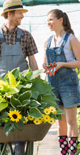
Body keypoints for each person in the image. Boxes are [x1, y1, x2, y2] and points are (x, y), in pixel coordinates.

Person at [0, 0, 39, 154]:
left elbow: (33, 62)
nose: (22, 16)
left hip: (22, 90)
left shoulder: (26, 36)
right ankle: (1, 148)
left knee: (20, 127)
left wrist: (38, 87)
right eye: (20, 13)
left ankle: (19, 147)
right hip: (0, 90)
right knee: (0, 128)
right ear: (10, 14)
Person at [43, 9, 80, 155]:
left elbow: (79, 62)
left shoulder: (71, 39)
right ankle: (64, 152)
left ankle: (72, 153)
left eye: (51, 19)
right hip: (53, 84)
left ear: (61, 20)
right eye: (47, 20)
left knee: (71, 121)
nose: (49, 23)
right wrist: (45, 66)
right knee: (60, 122)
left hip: (68, 83)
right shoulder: (47, 41)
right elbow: (45, 62)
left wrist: (62, 64)